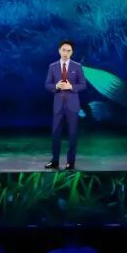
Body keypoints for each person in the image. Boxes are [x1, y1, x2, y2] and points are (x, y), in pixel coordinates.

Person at [43, 40, 87, 170]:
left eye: (68, 51)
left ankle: (70, 162)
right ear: (59, 51)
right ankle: (55, 161)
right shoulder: (52, 66)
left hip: (73, 105)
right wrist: (56, 86)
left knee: (72, 134)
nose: (66, 53)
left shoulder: (77, 66)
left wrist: (71, 86)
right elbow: (47, 84)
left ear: (72, 52)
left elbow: (83, 85)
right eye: (63, 50)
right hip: (58, 106)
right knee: (55, 134)